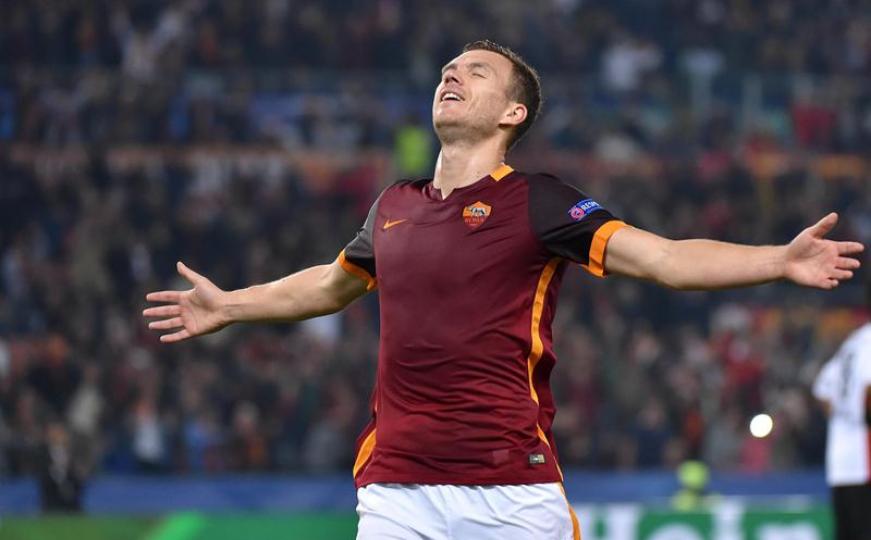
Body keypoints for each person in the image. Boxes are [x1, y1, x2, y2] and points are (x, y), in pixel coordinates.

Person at [144, 40, 864, 540]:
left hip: (511, 490)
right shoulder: (393, 204)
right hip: (396, 488)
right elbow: (331, 286)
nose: (451, 76)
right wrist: (230, 304)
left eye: (476, 72)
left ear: (511, 113)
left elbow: (666, 259)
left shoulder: (539, 202)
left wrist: (778, 260)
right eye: (448, 69)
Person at [813, 279, 871, 540]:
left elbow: (822, 390)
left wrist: (845, 416)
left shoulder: (855, 342)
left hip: (842, 462)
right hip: (865, 463)